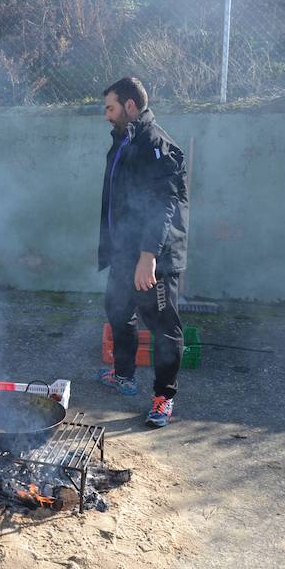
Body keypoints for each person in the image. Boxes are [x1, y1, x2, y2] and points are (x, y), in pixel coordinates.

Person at [97, 77, 189, 428]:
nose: (106, 115)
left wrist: (148, 257)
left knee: (164, 328)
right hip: (124, 251)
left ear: (130, 106)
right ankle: (123, 375)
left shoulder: (156, 144)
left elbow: (164, 205)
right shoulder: (124, 140)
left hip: (155, 258)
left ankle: (163, 397)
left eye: (110, 108)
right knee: (118, 311)